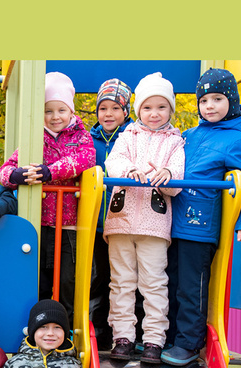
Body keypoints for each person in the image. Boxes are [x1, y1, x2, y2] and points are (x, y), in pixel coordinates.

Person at [157, 67, 241, 366]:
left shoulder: (235, 140)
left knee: (192, 287)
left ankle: (189, 343)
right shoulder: (189, 135)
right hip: (173, 222)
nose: (209, 106)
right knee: (170, 282)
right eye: (204, 101)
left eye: (217, 99)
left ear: (231, 101)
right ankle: (171, 337)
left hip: (200, 228)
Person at [101, 73, 184, 363]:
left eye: (162, 107)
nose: (154, 114)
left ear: (171, 111)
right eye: (148, 108)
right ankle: (122, 336)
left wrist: (168, 176)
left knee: (153, 283)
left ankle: (153, 339)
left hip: (154, 225)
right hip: (121, 221)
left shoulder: (175, 143)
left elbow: (177, 182)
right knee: (122, 282)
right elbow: (113, 162)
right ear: (138, 111)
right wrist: (129, 171)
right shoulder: (127, 137)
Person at [0, 72, 96, 304]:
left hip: (69, 223)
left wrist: (49, 172)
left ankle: (67, 327)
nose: (55, 117)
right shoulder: (35, 138)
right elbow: (5, 170)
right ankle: (38, 326)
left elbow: (84, 160)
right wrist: (16, 175)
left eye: (61, 110)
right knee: (38, 279)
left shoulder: (80, 136)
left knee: (66, 280)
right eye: (48, 111)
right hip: (38, 221)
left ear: (71, 111)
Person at [87, 79, 132, 339]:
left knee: (121, 277)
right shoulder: (88, 140)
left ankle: (117, 330)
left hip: (122, 221)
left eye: (115, 108)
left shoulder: (131, 138)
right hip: (93, 221)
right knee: (98, 276)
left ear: (125, 112)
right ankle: (96, 328)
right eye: (103, 108)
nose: (108, 114)